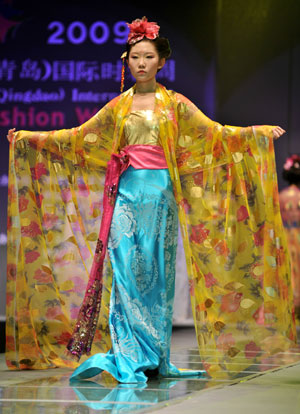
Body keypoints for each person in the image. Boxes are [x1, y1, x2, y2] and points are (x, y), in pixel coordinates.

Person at [6, 17, 295, 383]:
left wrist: (256, 133)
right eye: (134, 57)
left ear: (161, 62)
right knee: (125, 273)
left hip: (160, 197)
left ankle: (155, 354)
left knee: (155, 278)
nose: (140, 63)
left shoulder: (174, 104)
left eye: (147, 57)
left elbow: (214, 134)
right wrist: (30, 138)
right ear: (127, 62)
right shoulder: (118, 107)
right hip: (126, 195)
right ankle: (128, 355)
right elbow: (78, 137)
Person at [279, 154, 300, 323]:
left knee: (288, 272)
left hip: (285, 238)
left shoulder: (281, 196)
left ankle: (288, 312)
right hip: (298, 238)